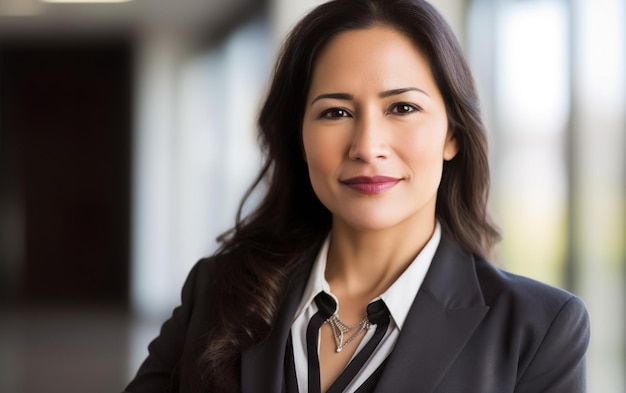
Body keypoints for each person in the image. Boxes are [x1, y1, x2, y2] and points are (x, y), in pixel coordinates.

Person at [123, 0, 590, 392]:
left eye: (402, 108)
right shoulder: (218, 291)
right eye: (336, 112)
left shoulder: (538, 328)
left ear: (453, 135)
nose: (367, 147)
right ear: (298, 138)